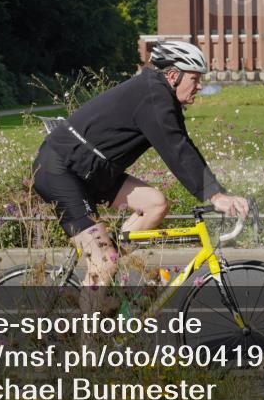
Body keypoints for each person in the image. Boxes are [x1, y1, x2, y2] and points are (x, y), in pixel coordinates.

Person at [31, 41, 249, 296]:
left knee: (155, 204)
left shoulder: (158, 94)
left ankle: (103, 273)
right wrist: (215, 195)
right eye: (194, 77)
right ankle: (86, 333)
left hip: (92, 169)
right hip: (61, 168)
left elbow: (182, 144)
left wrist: (215, 191)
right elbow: (176, 149)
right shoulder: (153, 95)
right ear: (172, 75)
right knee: (103, 260)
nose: (199, 85)